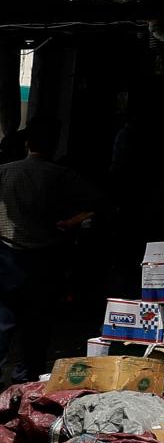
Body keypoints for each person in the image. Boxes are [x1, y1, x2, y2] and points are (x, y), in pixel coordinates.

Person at [0, 125, 97, 385]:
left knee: (3, 318)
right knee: (37, 321)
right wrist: (70, 222)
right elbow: (95, 205)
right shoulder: (62, 175)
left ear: (27, 143)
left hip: (7, 254)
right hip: (45, 257)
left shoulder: (5, 171)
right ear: (54, 145)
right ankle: (27, 377)